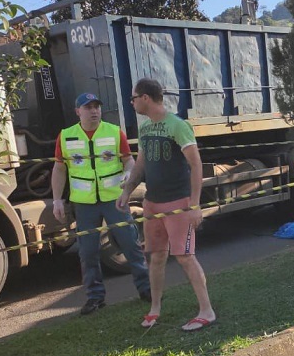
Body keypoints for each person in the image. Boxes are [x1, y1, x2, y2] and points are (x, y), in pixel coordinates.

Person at [117, 78, 216, 332]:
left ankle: (207, 311)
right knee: (156, 256)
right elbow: (140, 164)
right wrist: (127, 191)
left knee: (185, 257)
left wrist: (194, 204)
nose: (132, 103)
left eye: (133, 98)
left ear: (146, 98)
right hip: (152, 203)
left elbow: (196, 165)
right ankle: (155, 308)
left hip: (178, 203)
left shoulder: (177, 126)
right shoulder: (146, 127)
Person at [51, 93, 151, 315]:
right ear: (78, 111)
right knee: (87, 253)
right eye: (88, 107)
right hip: (84, 203)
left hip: (115, 199)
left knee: (131, 245)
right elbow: (59, 168)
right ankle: (95, 298)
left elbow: (129, 160)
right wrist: (57, 199)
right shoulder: (66, 136)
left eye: (97, 106)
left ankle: (146, 291)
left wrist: (128, 178)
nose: (94, 111)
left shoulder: (114, 132)